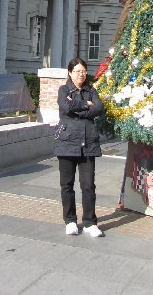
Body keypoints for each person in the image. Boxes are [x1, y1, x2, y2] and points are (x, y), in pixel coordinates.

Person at [55, 57, 104, 237]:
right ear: (70, 73)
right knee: (67, 185)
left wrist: (78, 108)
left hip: (88, 144)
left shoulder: (91, 90)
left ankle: (90, 222)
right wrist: (85, 105)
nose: (81, 74)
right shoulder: (63, 90)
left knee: (88, 185)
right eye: (77, 71)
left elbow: (99, 107)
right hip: (67, 142)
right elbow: (65, 107)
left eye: (83, 71)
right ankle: (70, 220)